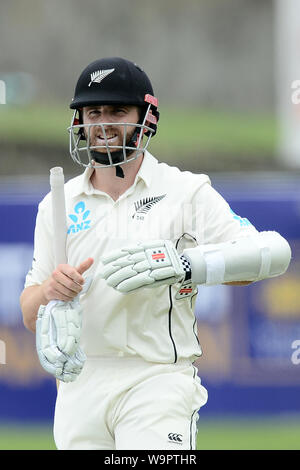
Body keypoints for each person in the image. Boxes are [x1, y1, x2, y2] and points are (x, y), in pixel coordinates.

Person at [20, 57, 291, 450]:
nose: (104, 123)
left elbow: (271, 253)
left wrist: (185, 266)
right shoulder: (57, 204)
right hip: (79, 386)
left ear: (146, 118)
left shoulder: (185, 191)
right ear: (79, 122)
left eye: (117, 110)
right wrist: (50, 292)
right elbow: (29, 312)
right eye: (93, 112)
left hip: (157, 378)